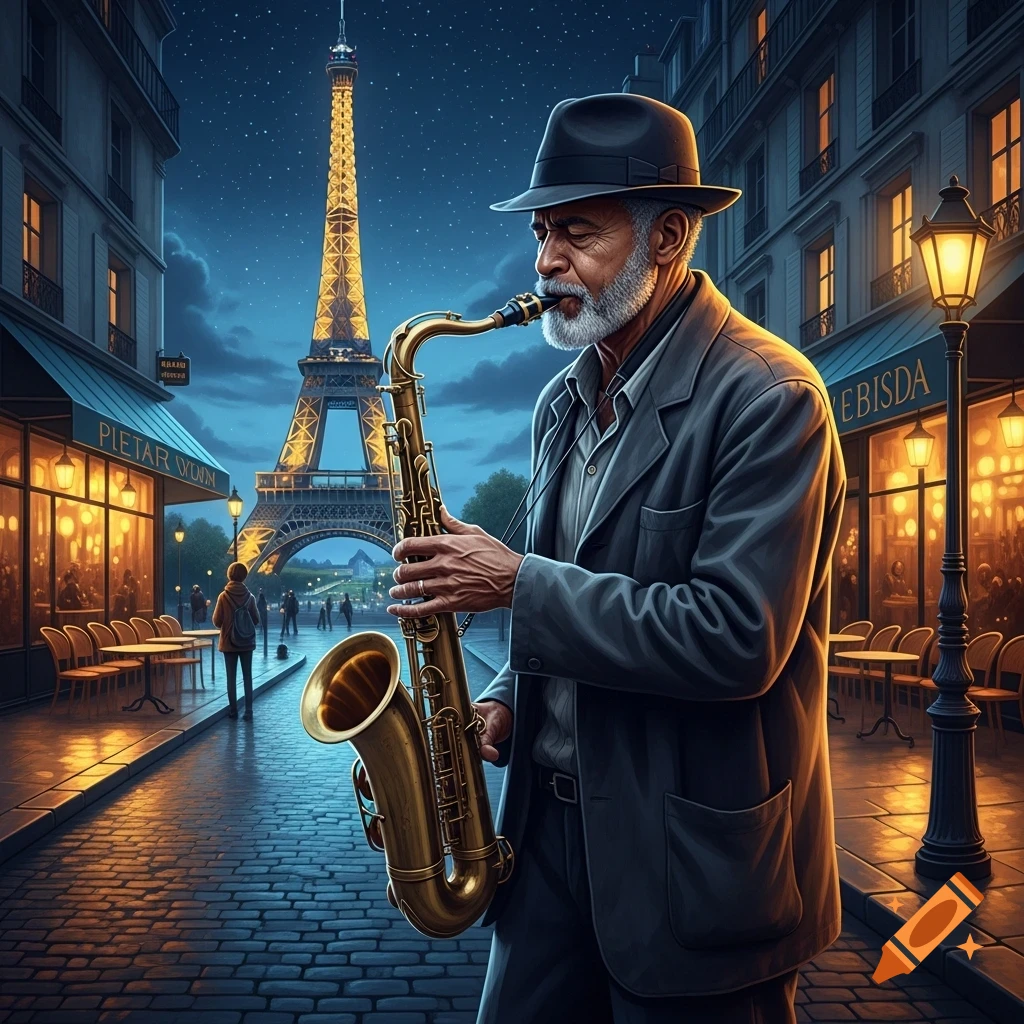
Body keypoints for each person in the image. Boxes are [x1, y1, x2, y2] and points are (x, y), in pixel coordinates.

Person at [386, 93, 845, 1023]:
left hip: (694, 868)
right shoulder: (560, 401)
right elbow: (565, 602)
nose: (547, 260)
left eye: (578, 234)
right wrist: (505, 701)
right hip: (546, 844)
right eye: (543, 232)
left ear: (669, 235)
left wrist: (515, 582)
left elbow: (734, 639)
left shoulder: (772, 398)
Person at [211, 562, 260, 721]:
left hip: (228, 642)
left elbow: (217, 621)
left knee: (231, 678)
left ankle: (233, 711)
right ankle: (249, 710)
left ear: (229, 575)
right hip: (246, 642)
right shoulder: (250, 597)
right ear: (244, 576)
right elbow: (256, 619)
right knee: (248, 676)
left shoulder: (223, 596)